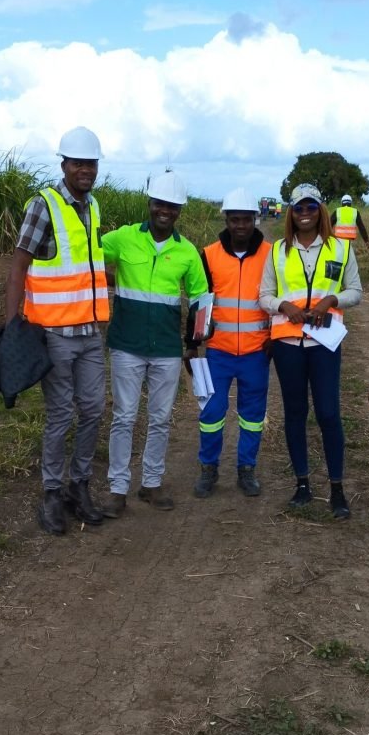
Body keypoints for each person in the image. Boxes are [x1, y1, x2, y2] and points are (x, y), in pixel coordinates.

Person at [3, 126, 109, 536]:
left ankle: (78, 487)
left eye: (91, 164)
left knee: (95, 409)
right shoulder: (43, 205)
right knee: (61, 414)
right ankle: (51, 492)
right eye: (78, 163)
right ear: (64, 165)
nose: (85, 170)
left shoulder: (92, 207)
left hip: (89, 331)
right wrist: (12, 324)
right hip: (55, 333)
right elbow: (19, 266)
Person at [103, 170, 209, 512]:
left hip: (165, 348)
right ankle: (117, 489)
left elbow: (200, 300)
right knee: (124, 416)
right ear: (150, 203)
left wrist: (194, 345)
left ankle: (151, 484)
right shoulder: (123, 238)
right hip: (126, 344)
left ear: (179, 211)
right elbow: (89, 256)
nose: (166, 210)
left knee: (161, 418)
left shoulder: (187, 252)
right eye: (160, 203)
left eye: (173, 206)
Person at [258, 183, 362, 519]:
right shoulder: (277, 251)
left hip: (324, 345)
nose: (305, 214)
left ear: (321, 210)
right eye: (299, 208)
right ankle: (302, 484)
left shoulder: (340, 249)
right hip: (288, 345)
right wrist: (283, 306)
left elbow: (356, 292)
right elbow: (264, 296)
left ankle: (337, 488)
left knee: (329, 414)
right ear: (290, 212)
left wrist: (331, 300)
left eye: (311, 207)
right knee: (295, 414)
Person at [184, 188, 273, 498]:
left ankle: (246, 469)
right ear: (226, 219)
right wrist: (192, 344)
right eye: (234, 219)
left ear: (254, 220)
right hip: (217, 352)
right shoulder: (208, 254)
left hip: (256, 352)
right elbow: (199, 301)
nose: (240, 226)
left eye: (246, 220)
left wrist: (274, 338)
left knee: (252, 416)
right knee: (211, 412)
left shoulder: (271, 254)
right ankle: (208, 468)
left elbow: (278, 300)